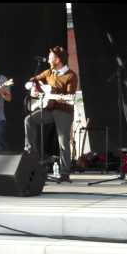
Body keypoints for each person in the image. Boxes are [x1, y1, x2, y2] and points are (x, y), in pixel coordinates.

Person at [24, 46, 78, 182]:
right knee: (29, 120)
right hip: (48, 109)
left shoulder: (71, 75)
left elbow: (70, 97)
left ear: (58, 59)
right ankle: (31, 156)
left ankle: (65, 173)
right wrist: (34, 89)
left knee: (63, 142)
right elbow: (31, 81)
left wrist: (53, 96)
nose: (48, 59)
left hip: (64, 111)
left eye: (51, 57)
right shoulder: (49, 72)